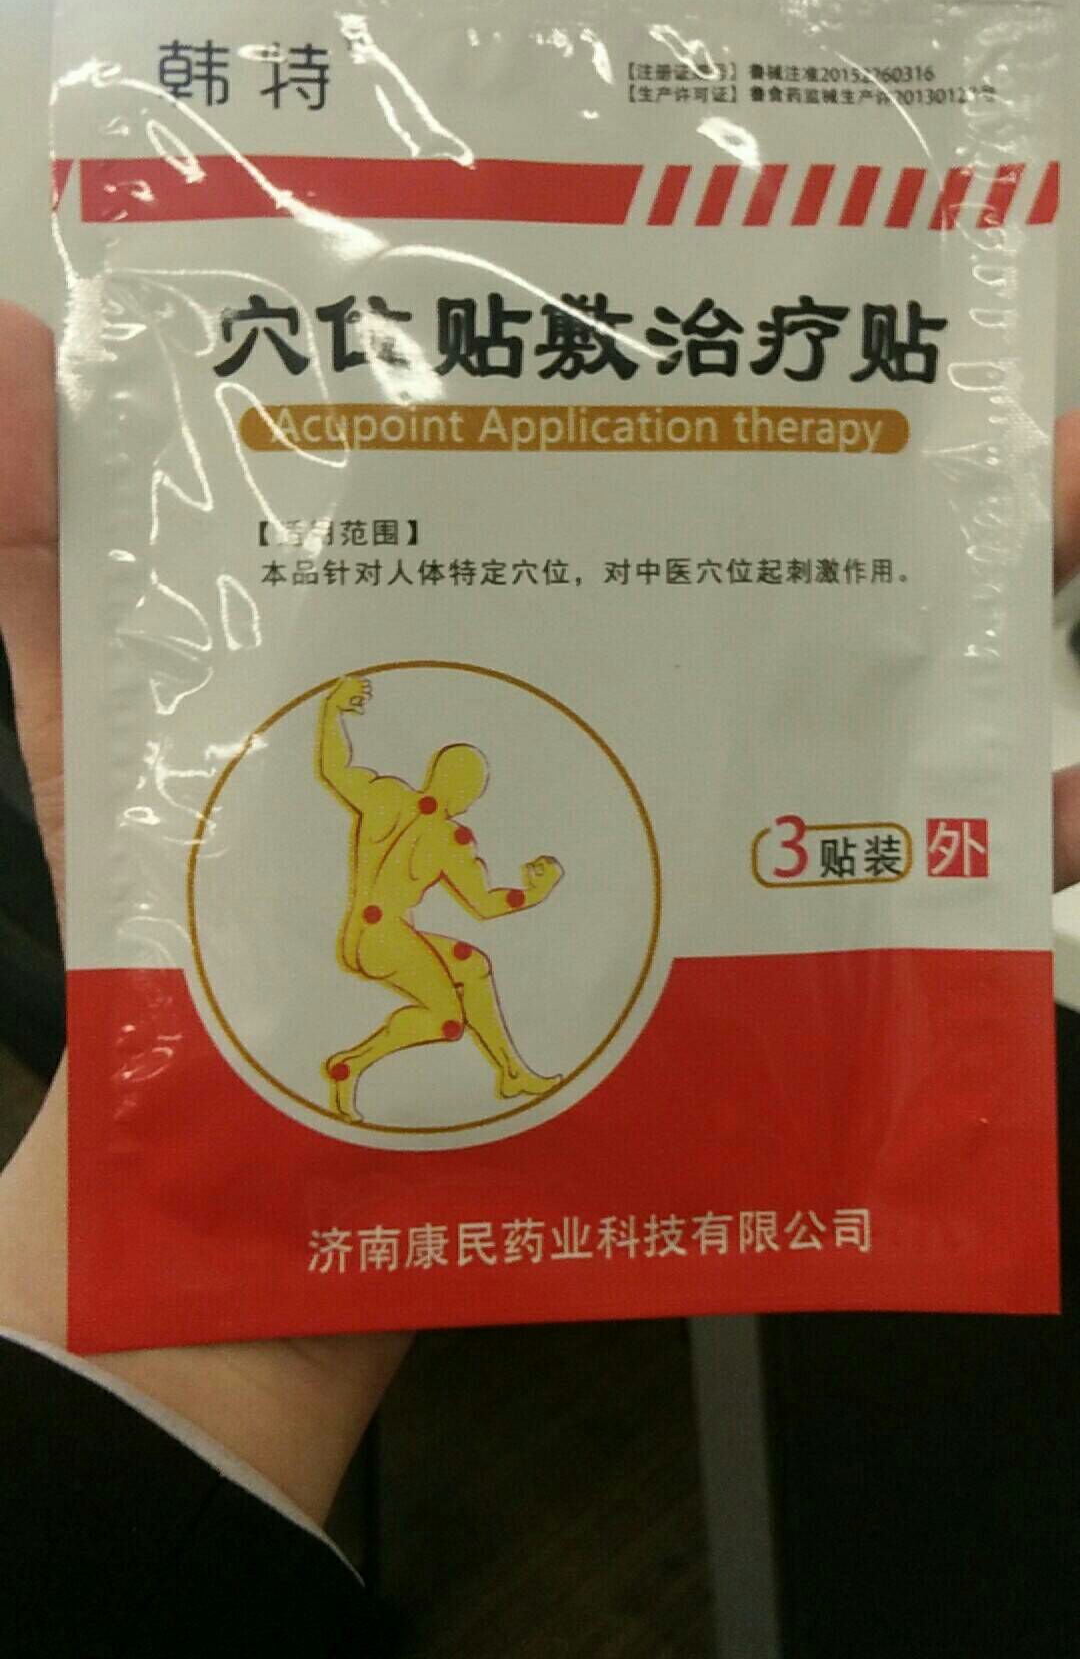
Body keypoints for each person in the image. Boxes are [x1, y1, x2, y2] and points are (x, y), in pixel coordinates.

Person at [3, 296, 1080, 1649]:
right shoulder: (389, 790)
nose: (461, 785)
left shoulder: (452, 833)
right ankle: (448, 1059)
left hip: (359, 997)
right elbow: (335, 771)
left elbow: (489, 896)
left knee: (463, 967)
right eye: (460, 772)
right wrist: (340, 711)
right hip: (353, 938)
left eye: (466, 779)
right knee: (454, 973)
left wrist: (544, 888)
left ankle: (379, 1061)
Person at [318, 672, 563, 1119]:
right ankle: (350, 1065)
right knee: (447, 1021)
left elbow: (335, 769)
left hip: (363, 933)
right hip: (387, 943)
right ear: (467, 792)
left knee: (472, 966)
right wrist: (534, 893)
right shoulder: (451, 839)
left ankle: (511, 1071)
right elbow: (484, 904)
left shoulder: (387, 795)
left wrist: (333, 710)